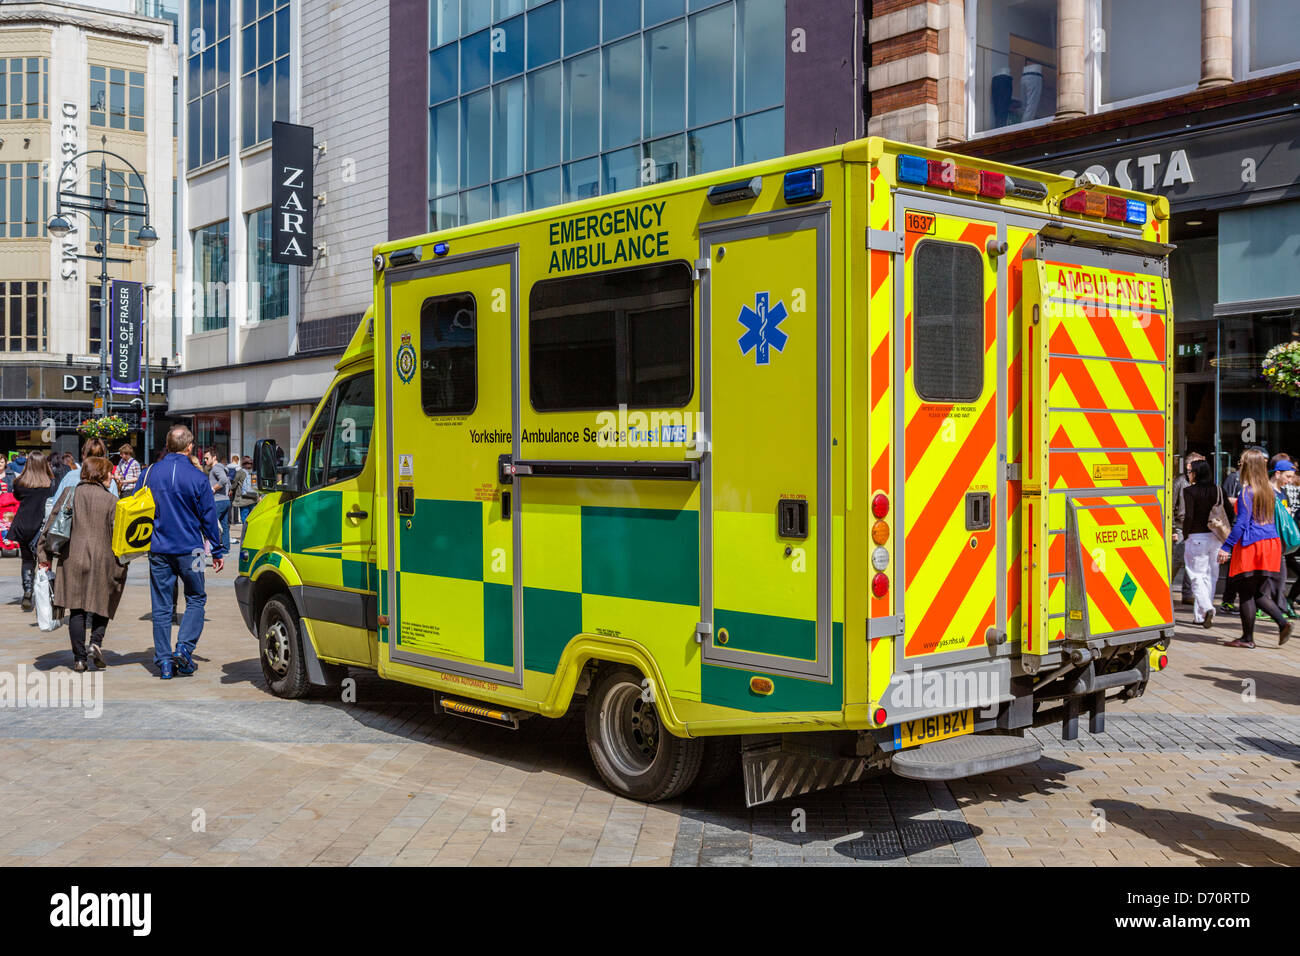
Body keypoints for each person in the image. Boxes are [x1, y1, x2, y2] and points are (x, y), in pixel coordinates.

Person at [143, 426, 225, 679]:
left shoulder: (149, 474)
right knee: (197, 597)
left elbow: (138, 507)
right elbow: (209, 517)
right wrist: (218, 549)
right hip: (194, 550)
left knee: (162, 605)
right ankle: (184, 648)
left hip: (158, 549)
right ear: (189, 447)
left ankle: (165, 661)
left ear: (167, 446)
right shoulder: (198, 477)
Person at [35, 457, 128, 672]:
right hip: (103, 560)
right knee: (103, 602)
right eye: (109, 472)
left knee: (76, 609)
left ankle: (79, 659)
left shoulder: (69, 494)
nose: (112, 476)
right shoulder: (112, 501)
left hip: (72, 559)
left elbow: (50, 527)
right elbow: (121, 537)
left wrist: (44, 556)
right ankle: (96, 641)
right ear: (100, 474)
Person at [1218, 448, 1292, 648]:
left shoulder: (1247, 491)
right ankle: (1283, 623)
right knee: (1258, 592)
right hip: (1271, 544)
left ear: (1248, 467)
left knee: (1246, 592)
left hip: (1252, 545)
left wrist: (1226, 547)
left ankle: (1247, 638)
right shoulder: (1269, 490)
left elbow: (1241, 524)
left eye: (1242, 462)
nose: (1239, 465)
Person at [10, 452, 56, 611]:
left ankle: (28, 591)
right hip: (42, 526)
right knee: (44, 561)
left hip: (23, 525)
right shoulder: (50, 483)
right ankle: (45, 593)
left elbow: (16, 497)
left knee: (27, 560)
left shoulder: (19, 483)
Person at [1182, 458, 1222, 629]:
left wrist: (1185, 533)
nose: (1188, 474)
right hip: (1215, 537)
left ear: (1196, 473)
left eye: (1190, 472)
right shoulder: (1217, 490)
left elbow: (1189, 515)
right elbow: (1228, 511)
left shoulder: (1189, 491)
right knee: (1211, 577)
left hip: (1196, 537)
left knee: (1196, 576)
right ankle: (1200, 616)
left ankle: (1206, 608)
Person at [1170, 452, 1204, 606]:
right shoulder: (1179, 482)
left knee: (1193, 560)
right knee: (1177, 559)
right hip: (1180, 526)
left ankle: (1187, 593)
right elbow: (1170, 506)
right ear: (1189, 466)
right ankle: (1164, 587)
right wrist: (1171, 529)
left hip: (1195, 527)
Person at [1269, 458, 1297, 617]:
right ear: (1277, 474)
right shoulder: (1269, 491)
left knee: (1278, 576)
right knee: (1276, 576)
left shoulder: (1283, 492)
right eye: (1288, 476)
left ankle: (1278, 608)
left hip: (1280, 542)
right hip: (1271, 539)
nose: (1290, 480)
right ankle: (1278, 610)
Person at [52, 438, 119, 503]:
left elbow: (56, 503)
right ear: (104, 457)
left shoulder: (70, 476)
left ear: (83, 455)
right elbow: (115, 510)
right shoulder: (109, 481)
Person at [203, 449, 231, 554]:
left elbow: (223, 480)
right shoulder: (222, 468)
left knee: (211, 523)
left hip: (218, 500)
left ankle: (209, 549)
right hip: (225, 500)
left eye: (207, 458)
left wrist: (213, 489)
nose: (205, 460)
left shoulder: (216, 468)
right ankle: (225, 547)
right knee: (224, 525)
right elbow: (228, 482)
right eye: (204, 458)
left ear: (214, 457)